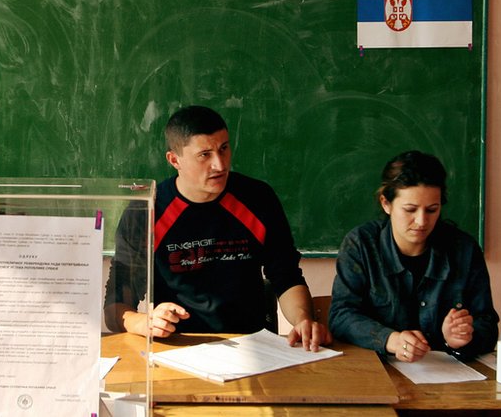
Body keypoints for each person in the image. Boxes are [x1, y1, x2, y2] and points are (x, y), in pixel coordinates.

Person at [104, 105, 331, 351]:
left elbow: (286, 276)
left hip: (251, 345)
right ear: (174, 160)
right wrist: (143, 322)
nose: (220, 165)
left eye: (224, 148)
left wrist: (303, 320)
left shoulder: (257, 198)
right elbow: (116, 303)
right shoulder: (147, 211)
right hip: (176, 346)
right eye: (205, 155)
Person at [328, 150, 498, 362]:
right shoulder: (361, 244)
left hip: (445, 370)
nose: (421, 221)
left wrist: (462, 338)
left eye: (432, 210)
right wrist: (390, 339)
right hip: (379, 367)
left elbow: (487, 323)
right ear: (386, 204)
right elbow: (341, 316)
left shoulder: (464, 249)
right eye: (410, 209)